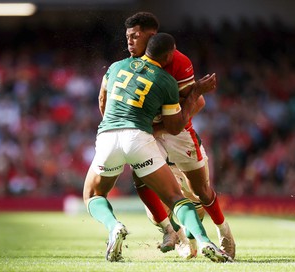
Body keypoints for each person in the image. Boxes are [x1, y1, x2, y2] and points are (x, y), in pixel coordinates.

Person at [83, 33, 232, 263]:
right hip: (140, 137)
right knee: (176, 198)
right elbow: (174, 126)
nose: (131, 41)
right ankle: (203, 241)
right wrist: (196, 92)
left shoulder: (116, 66)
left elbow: (102, 99)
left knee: (93, 195)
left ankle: (114, 227)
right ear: (168, 55)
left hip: (108, 135)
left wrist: (112, 123)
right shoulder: (166, 80)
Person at [121, 12, 236, 259]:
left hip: (179, 131)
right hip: (149, 134)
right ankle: (175, 234)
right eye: (127, 37)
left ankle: (223, 231)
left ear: (152, 37)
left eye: (135, 36)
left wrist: (162, 127)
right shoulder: (130, 65)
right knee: (141, 181)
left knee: (202, 191)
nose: (129, 42)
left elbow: (199, 102)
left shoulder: (178, 62)